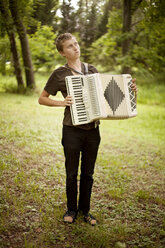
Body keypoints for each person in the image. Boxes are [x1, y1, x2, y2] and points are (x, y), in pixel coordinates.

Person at [38, 33, 137, 225]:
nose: (75, 47)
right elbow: (42, 98)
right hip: (71, 130)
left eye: (76, 43)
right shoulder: (59, 74)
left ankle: (85, 211)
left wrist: (130, 92)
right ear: (62, 53)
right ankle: (71, 209)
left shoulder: (92, 70)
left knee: (88, 173)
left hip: (93, 130)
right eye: (69, 46)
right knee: (71, 173)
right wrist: (61, 102)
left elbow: (105, 98)